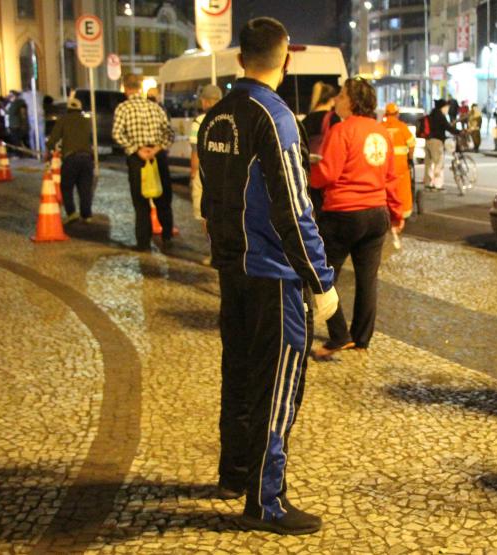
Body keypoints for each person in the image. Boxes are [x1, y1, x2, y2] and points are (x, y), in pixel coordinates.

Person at [197, 16, 338, 536]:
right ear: (286, 60)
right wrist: (321, 281)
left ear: (240, 59)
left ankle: (234, 473)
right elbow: (295, 209)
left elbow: (210, 199)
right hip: (273, 274)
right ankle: (266, 499)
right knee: (276, 385)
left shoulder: (215, 116)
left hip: (231, 268)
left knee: (238, 375)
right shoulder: (275, 117)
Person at [309, 77, 404, 359]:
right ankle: (361, 338)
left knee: (324, 275)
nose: (337, 100)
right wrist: (396, 212)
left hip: (343, 213)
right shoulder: (381, 132)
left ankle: (339, 335)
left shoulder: (341, 130)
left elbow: (328, 174)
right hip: (376, 213)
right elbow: (392, 177)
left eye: (341, 95)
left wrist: (309, 174)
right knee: (367, 279)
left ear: (351, 101)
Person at [112, 73, 175, 252]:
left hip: (137, 159)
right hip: (158, 156)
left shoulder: (123, 108)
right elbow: (169, 133)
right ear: (140, 88)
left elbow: (117, 134)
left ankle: (143, 242)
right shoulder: (155, 108)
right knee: (163, 199)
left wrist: (137, 150)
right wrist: (156, 149)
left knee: (140, 203)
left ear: (125, 88)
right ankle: (167, 236)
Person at [47, 97, 94, 223]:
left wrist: (50, 149)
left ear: (68, 108)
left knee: (66, 187)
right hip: (87, 158)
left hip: (71, 158)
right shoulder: (86, 121)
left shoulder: (63, 120)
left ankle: (72, 213)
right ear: (80, 108)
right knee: (85, 188)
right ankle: (86, 215)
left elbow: (53, 139)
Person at [189, 83, 223, 227]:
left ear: (206, 101)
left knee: (205, 213)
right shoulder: (229, 118)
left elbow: (195, 151)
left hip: (204, 171)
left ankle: (210, 239)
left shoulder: (199, 121)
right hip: (224, 171)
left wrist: (193, 173)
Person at [381, 102, 416, 218]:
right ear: (397, 114)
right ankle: (404, 212)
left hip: (385, 166)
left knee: (386, 189)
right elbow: (411, 144)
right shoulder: (402, 127)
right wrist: (410, 159)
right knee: (402, 188)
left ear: (386, 114)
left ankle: (387, 211)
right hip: (400, 165)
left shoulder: (380, 127)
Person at [424, 99, 459, 191]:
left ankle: (428, 183)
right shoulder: (440, 116)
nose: (447, 109)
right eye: (447, 107)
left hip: (428, 141)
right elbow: (448, 127)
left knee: (429, 164)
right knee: (438, 163)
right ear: (442, 107)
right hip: (436, 142)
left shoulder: (432, 114)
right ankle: (438, 185)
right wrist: (459, 132)